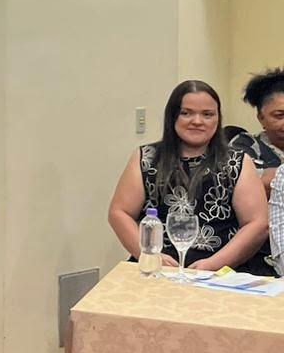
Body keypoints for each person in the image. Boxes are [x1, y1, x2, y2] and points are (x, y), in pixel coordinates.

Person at [107, 79, 269, 273]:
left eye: (207, 114)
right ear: (172, 116)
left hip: (219, 272)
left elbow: (257, 223)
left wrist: (214, 264)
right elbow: (120, 212)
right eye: (186, 113)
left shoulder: (238, 161)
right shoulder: (146, 158)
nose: (197, 121)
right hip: (156, 267)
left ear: (218, 119)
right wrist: (149, 254)